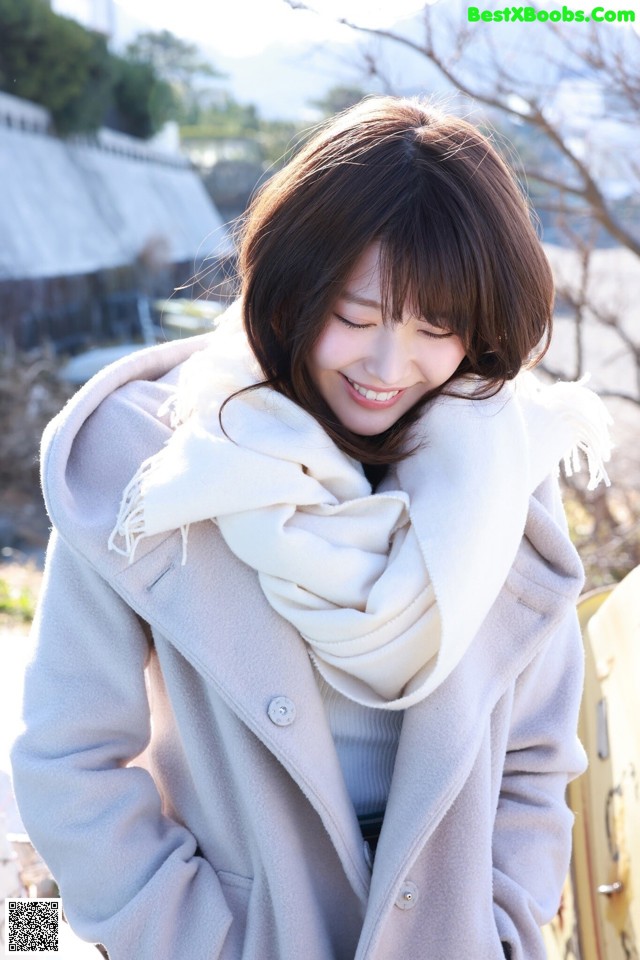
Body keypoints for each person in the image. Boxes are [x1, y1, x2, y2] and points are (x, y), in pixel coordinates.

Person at [11, 96, 612, 960]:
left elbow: (538, 758)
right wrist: (191, 942)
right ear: (292, 290)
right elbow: (67, 762)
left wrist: (505, 927)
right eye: (357, 318)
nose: (386, 367)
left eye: (436, 328)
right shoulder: (158, 462)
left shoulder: (505, 476)